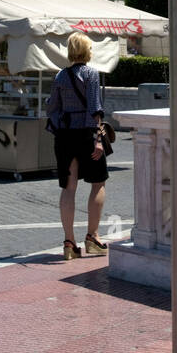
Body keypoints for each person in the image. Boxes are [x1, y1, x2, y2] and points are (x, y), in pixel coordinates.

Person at [45, 33, 108, 260]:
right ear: (87, 50)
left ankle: (69, 243)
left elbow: (51, 107)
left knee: (68, 188)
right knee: (98, 183)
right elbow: (95, 107)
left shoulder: (61, 76)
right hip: (86, 134)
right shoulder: (91, 73)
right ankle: (93, 237)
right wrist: (98, 139)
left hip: (65, 136)